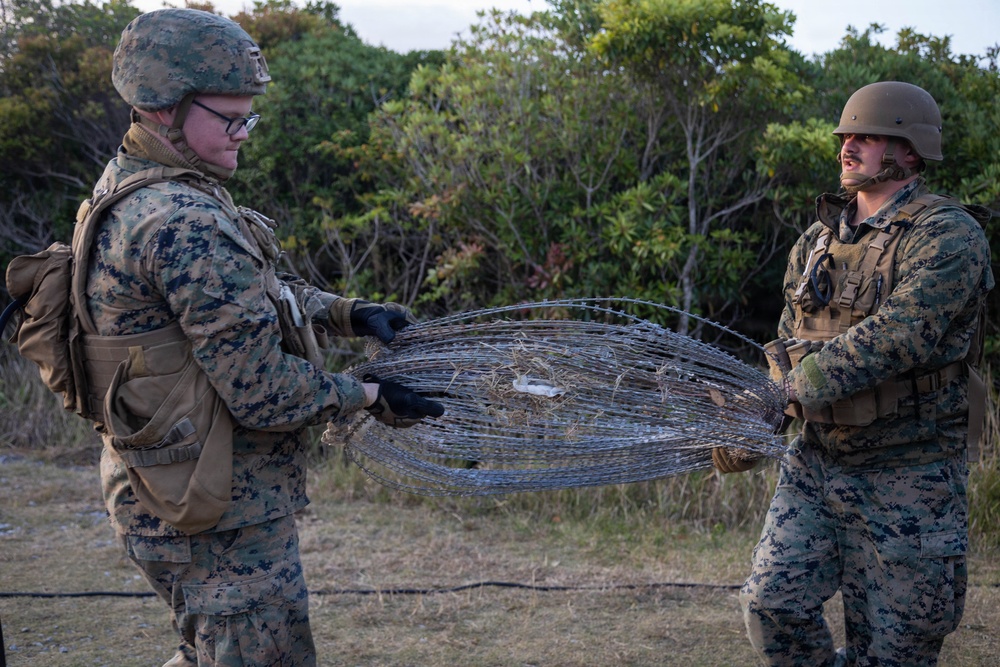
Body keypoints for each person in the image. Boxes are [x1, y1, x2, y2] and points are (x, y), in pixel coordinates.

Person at [80, 8, 443, 666]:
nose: (246, 133)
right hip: (219, 515)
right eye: (231, 118)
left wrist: (348, 313)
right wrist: (366, 393)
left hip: (158, 489)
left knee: (204, 651)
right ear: (165, 107)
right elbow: (264, 393)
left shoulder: (129, 188)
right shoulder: (185, 217)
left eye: (251, 116)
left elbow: (246, 294)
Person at [716, 81, 994, 666]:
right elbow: (789, 347)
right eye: (847, 135)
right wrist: (755, 424)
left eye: (868, 136)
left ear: (910, 151)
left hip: (910, 473)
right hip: (818, 465)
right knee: (772, 606)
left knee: (896, 649)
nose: (849, 146)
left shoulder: (948, 237)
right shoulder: (814, 245)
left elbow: (896, 338)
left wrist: (788, 393)